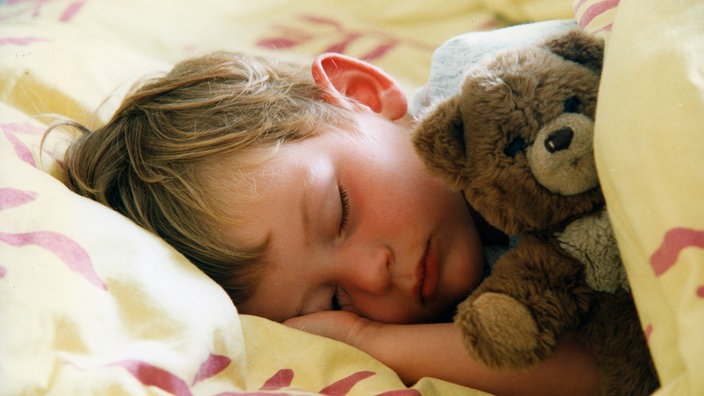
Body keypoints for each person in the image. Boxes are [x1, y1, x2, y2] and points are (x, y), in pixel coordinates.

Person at [53, 50, 600, 395]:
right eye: (334, 303)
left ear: (362, 96)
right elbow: (607, 367)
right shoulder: (478, 313)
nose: (372, 275)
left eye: (339, 209)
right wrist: (370, 340)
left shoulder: (501, 84)